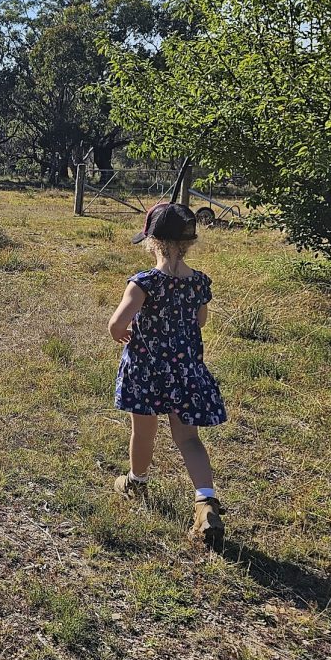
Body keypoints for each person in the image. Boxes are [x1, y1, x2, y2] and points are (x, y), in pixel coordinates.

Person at [107, 202, 228, 548]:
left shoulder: (143, 283)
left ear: (152, 242)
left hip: (146, 370)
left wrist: (121, 332)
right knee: (188, 438)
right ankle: (205, 501)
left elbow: (116, 324)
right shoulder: (199, 283)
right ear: (189, 243)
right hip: (185, 370)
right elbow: (201, 321)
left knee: (143, 433)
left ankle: (136, 481)